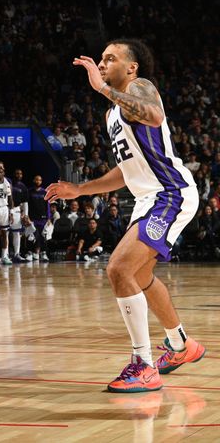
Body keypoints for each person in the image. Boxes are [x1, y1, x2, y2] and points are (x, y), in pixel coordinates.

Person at [46, 38, 204, 393]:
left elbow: (155, 115)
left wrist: (101, 88)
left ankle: (143, 365)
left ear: (131, 67)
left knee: (118, 268)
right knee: (141, 276)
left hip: (171, 193)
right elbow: (126, 170)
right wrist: (80, 189)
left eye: (110, 58)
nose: (102, 63)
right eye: (100, 59)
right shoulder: (111, 113)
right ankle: (180, 345)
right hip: (149, 198)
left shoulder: (140, 87)